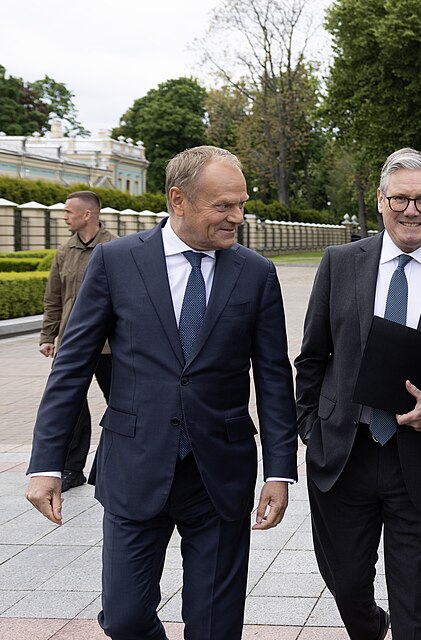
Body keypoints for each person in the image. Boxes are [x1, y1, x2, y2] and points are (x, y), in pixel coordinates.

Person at [25, 145, 298, 640]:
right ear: (178, 199)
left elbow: (274, 378)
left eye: (241, 204)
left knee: (214, 627)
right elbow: (72, 366)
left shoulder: (256, 273)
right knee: (125, 619)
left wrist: (279, 471)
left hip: (220, 474)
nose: (238, 217)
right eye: (224, 205)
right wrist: (45, 463)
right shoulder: (116, 261)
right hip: (134, 466)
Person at [295, 148, 421, 640]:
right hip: (344, 455)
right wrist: (310, 428)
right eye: (400, 198)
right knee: (346, 584)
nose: (411, 210)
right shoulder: (340, 263)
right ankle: (370, 624)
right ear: (381, 200)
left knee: (417, 607)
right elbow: (313, 355)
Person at [38, 191, 116, 491]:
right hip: (73, 344)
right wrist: (48, 335)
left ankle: (119, 461)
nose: (64, 217)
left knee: (121, 404)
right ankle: (72, 468)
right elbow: (53, 297)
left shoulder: (116, 249)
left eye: (69, 212)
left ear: (88, 214)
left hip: (110, 346)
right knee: (71, 406)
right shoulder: (64, 251)